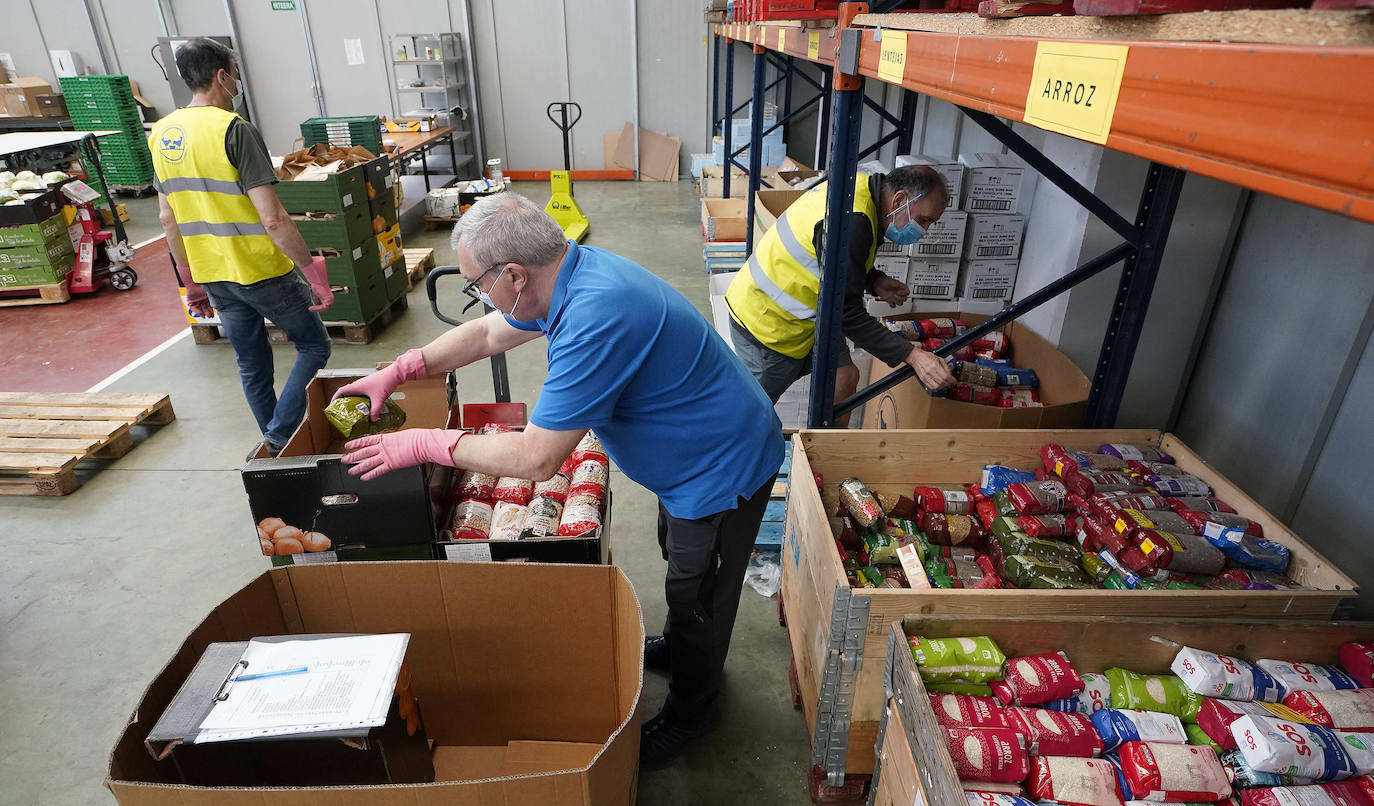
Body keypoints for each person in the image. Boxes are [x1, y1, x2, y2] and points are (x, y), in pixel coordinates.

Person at [334, 193, 785, 765]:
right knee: (679, 555)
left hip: (722, 467)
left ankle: (694, 712)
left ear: (515, 274)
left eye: (477, 284)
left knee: (699, 591)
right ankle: (678, 646)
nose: (479, 297)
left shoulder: (595, 315)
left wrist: (425, 443)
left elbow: (537, 459)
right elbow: (485, 335)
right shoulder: (566, 275)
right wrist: (403, 369)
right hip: (689, 459)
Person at [149, 37, 334, 459]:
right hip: (261, 270)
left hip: (213, 275)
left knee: (252, 365)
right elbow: (273, 218)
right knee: (314, 346)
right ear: (222, 75)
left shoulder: (162, 132)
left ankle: (278, 445)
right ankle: (280, 434)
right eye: (234, 73)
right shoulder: (233, 129)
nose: (236, 81)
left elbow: (166, 218)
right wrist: (313, 273)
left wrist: (190, 283)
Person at [725, 165, 957, 421]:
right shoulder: (855, 220)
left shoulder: (861, 191)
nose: (924, 231)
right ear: (900, 199)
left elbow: (830, 258)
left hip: (811, 315)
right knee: (748, 419)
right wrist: (912, 355)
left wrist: (874, 280)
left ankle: (827, 450)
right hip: (769, 323)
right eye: (924, 220)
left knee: (844, 377)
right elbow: (846, 313)